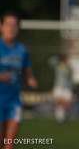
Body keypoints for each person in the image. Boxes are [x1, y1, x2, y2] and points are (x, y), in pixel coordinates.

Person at [0, 12, 37, 149]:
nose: (11, 28)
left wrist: (31, 79)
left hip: (14, 100)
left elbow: (27, 70)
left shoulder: (22, 50)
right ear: (1, 27)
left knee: (9, 145)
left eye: (14, 25)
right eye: (8, 24)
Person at [49, 54, 73, 123]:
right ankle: (60, 118)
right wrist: (58, 57)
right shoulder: (58, 66)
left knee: (67, 103)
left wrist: (72, 86)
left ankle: (62, 117)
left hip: (67, 87)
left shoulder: (69, 67)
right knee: (58, 102)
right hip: (58, 86)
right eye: (66, 59)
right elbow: (50, 61)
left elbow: (70, 78)